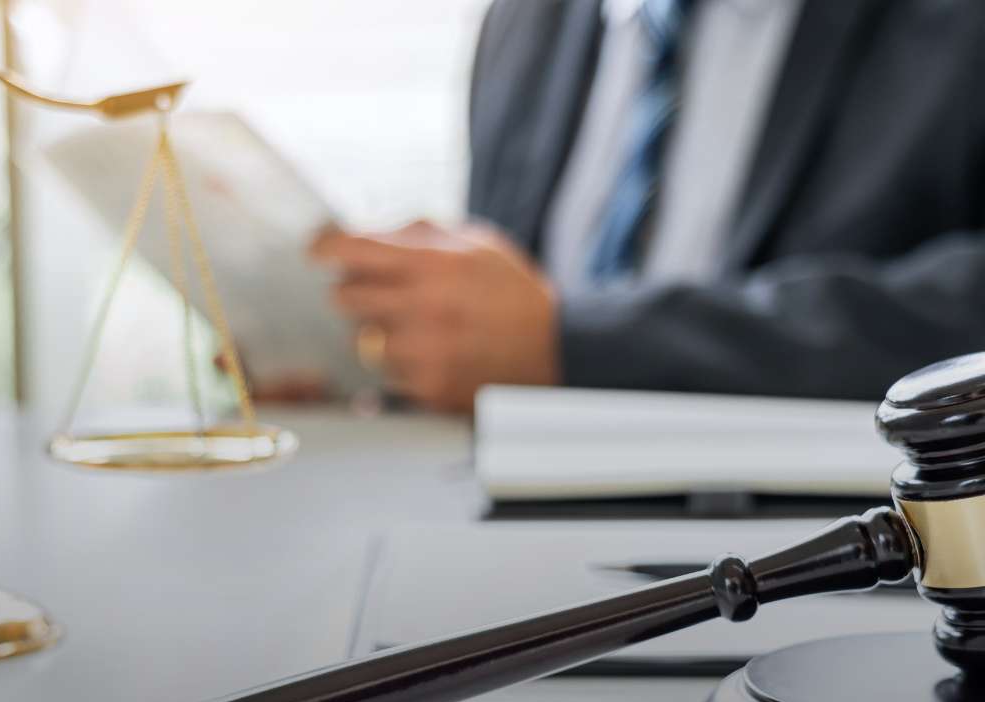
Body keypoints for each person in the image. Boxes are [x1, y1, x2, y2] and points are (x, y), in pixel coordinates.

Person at [310, 0, 985, 411]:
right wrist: (393, 355)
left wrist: (578, 341)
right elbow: (506, 334)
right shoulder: (527, 21)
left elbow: (961, 310)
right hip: (520, 554)